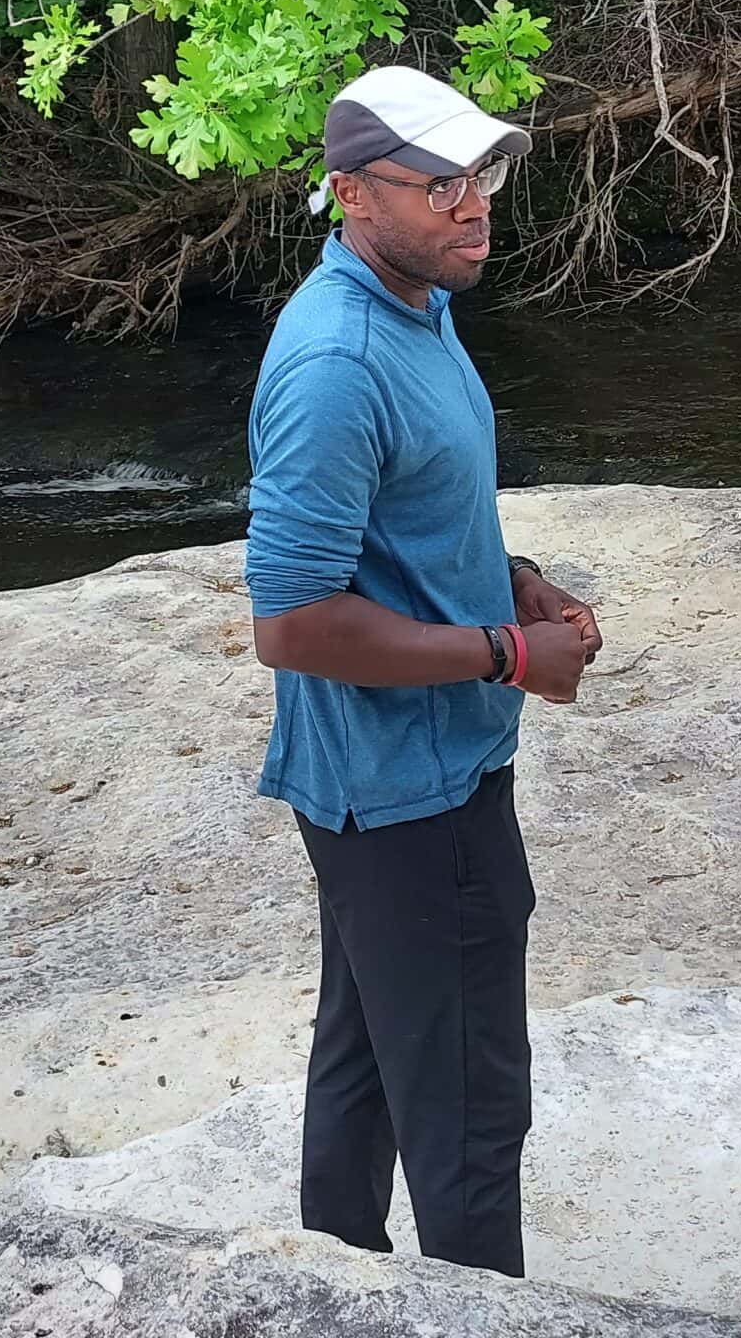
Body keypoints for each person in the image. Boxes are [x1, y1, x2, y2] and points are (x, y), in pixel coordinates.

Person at [243, 63, 603, 1279]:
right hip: (409, 795)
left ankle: (330, 1286)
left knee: (368, 1059)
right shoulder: (336, 364)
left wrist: (510, 578)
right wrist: (507, 656)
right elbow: (290, 622)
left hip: (387, 786)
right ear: (350, 195)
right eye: (442, 182)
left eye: (485, 176)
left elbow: (408, 515)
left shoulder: (418, 304)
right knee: (467, 1117)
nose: (475, 205)